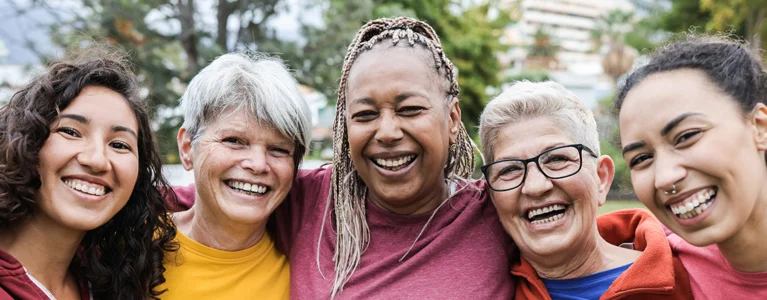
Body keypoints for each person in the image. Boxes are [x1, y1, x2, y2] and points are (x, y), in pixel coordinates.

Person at [173, 17, 514, 299]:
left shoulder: (499, 210)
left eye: (410, 110)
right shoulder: (309, 201)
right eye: (364, 114)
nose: (387, 132)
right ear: (344, 125)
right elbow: (180, 198)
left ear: (453, 119)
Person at [479, 80, 692, 299]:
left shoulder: (691, 278)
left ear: (601, 178)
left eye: (556, 159)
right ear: (492, 197)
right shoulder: (479, 291)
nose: (536, 186)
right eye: (509, 170)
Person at [0, 47, 176, 299]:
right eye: (71, 131)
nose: (97, 160)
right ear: (23, 141)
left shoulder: (104, 276)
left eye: (119, 145)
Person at [617, 35, 767, 298]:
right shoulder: (650, 271)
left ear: (759, 127)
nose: (664, 178)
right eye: (641, 159)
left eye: (687, 136)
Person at [158, 52, 311, 299]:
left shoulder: (306, 282)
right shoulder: (127, 247)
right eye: (234, 141)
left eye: (279, 149)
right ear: (187, 148)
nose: (258, 164)